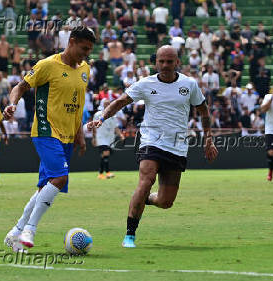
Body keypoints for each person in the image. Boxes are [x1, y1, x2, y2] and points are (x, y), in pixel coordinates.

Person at [87, 46, 218, 248]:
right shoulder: (145, 84)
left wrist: (208, 138)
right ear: (155, 62)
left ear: (177, 62)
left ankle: (143, 199)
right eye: (161, 61)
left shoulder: (189, 84)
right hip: (151, 142)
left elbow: (203, 110)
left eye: (169, 61)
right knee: (146, 180)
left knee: (166, 202)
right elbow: (121, 101)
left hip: (177, 146)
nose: (165, 65)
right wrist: (102, 118)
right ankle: (130, 234)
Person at [2, 26, 96, 251]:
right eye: (83, 48)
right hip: (45, 130)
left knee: (46, 185)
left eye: (89, 50)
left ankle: (15, 232)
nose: (86, 54)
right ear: (71, 41)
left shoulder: (85, 69)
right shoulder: (47, 65)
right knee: (60, 178)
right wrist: (13, 103)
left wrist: (80, 135)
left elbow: (78, 106)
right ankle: (29, 229)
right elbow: (21, 86)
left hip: (66, 136)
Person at [92, 99, 125, 180]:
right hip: (101, 137)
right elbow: (94, 126)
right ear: (102, 105)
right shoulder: (98, 114)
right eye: (106, 104)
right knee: (106, 153)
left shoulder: (113, 115)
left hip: (110, 138)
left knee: (104, 155)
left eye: (108, 104)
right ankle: (107, 172)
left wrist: (120, 135)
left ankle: (100, 174)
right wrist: (94, 138)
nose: (107, 105)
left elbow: (115, 127)